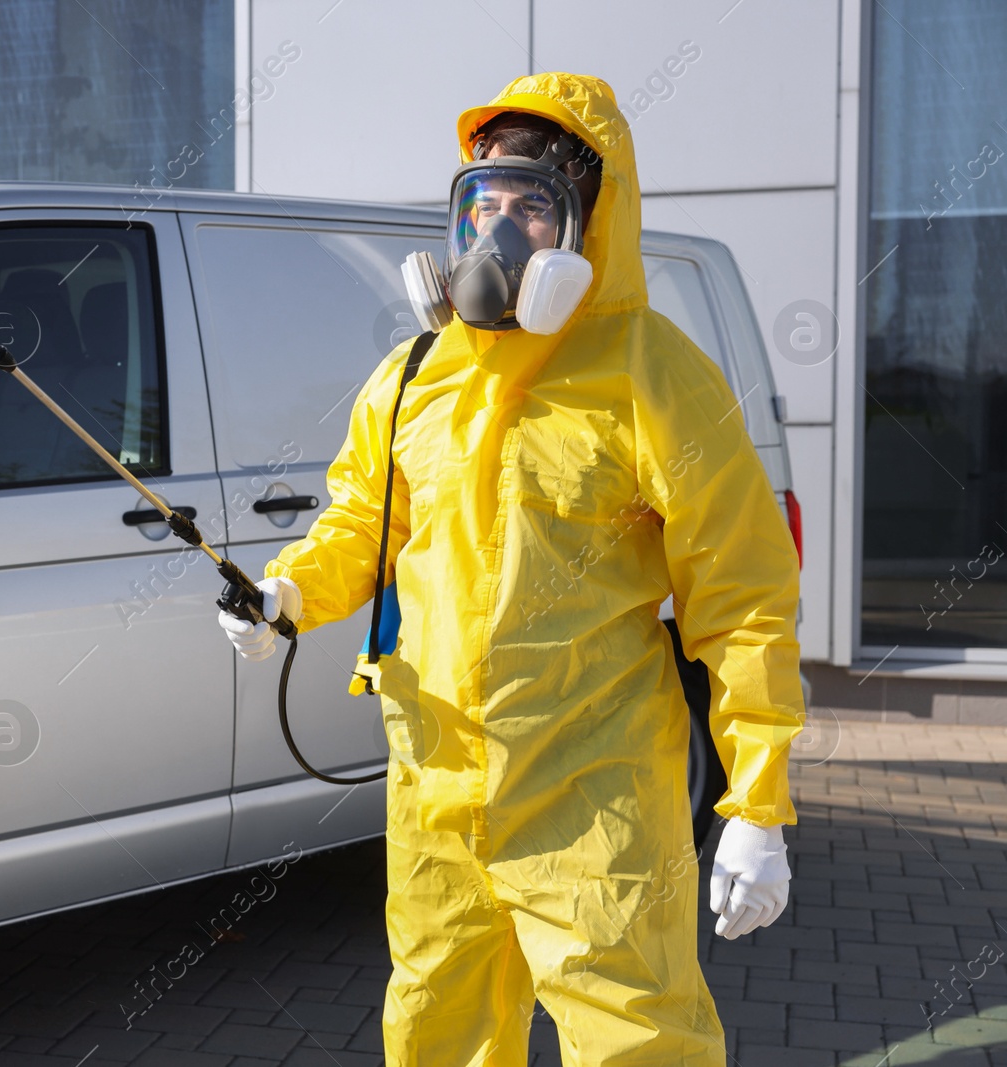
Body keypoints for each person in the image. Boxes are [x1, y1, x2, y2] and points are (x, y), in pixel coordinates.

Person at [219, 72, 804, 1066]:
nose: (499, 233)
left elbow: (741, 594)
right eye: (481, 204)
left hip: (595, 788)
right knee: (435, 1026)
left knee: (634, 1036)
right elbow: (367, 518)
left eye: (532, 205)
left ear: (590, 221)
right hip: (435, 783)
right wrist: (287, 592)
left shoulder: (650, 373)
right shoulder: (413, 374)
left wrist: (756, 801)